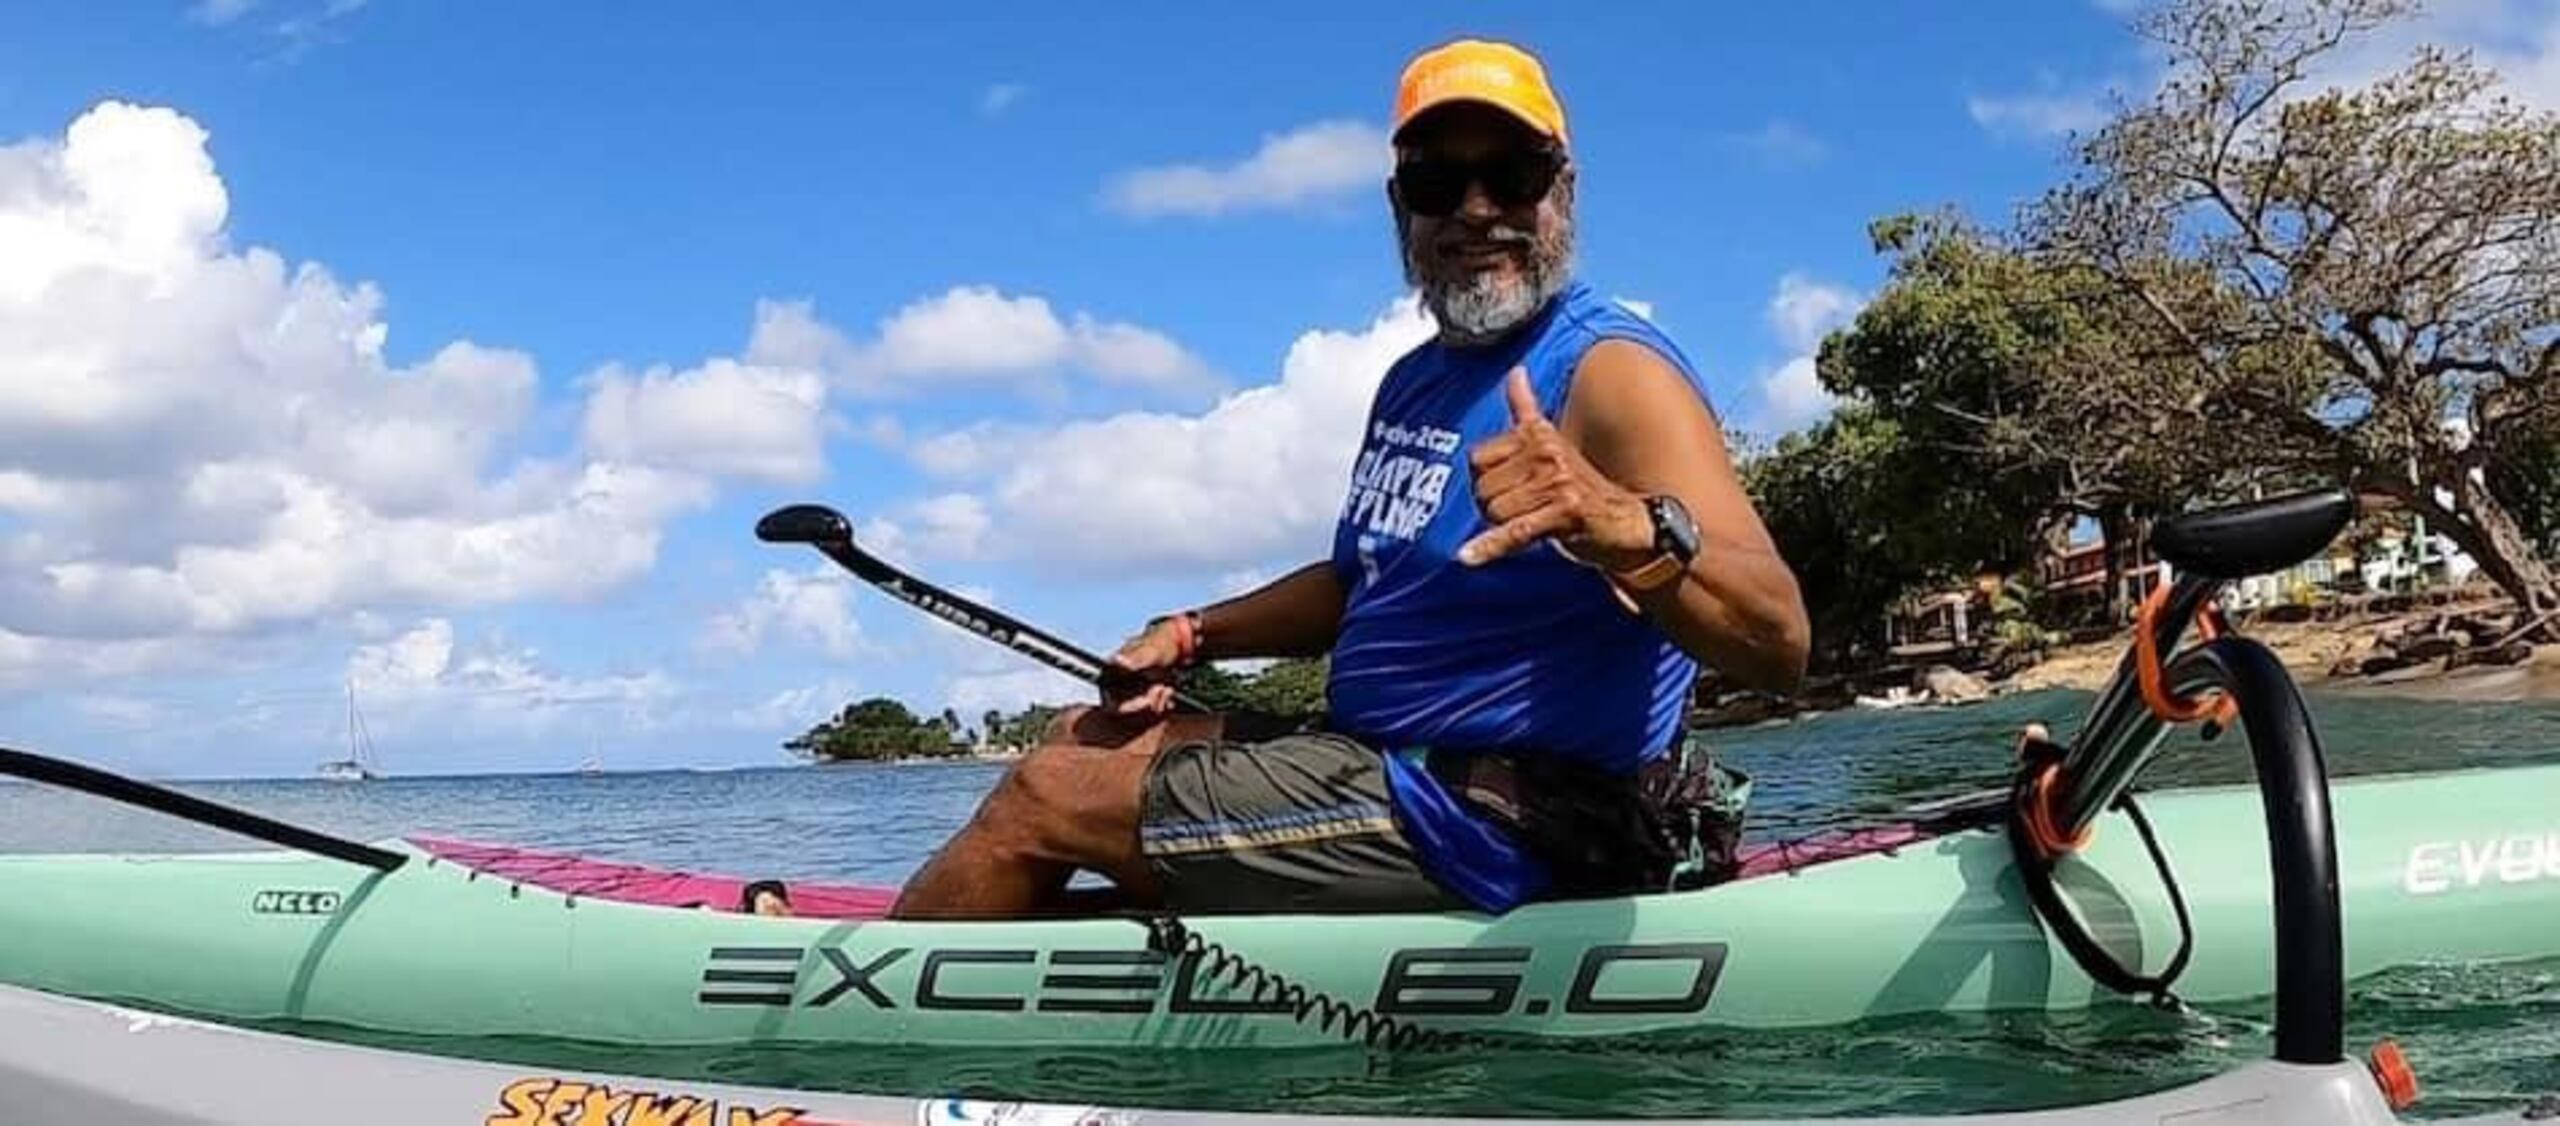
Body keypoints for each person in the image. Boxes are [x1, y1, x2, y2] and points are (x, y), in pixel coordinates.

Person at [888, 38, 1808, 921]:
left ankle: (851, 1020)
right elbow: (1358, 583)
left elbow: (1779, 640)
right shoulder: (1413, 380)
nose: (1476, 209)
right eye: (1437, 182)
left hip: (1516, 816)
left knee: (1044, 795)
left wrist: (1629, 528)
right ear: (1398, 204)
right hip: (1386, 763)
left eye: (1513, 176)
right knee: (1080, 743)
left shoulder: (1612, 374)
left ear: (1562, 191)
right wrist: (1192, 632)